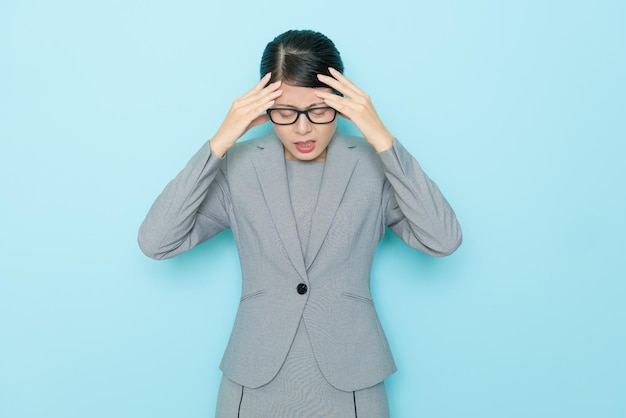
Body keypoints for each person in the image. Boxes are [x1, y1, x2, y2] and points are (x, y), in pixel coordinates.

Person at [138, 29, 462, 418]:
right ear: (264, 106)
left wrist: (380, 136)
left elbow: (443, 239)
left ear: (341, 104)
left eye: (319, 111)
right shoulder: (238, 166)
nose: (303, 129)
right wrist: (222, 139)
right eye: (286, 113)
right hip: (253, 378)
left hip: (353, 377)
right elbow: (156, 242)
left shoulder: (375, 166)